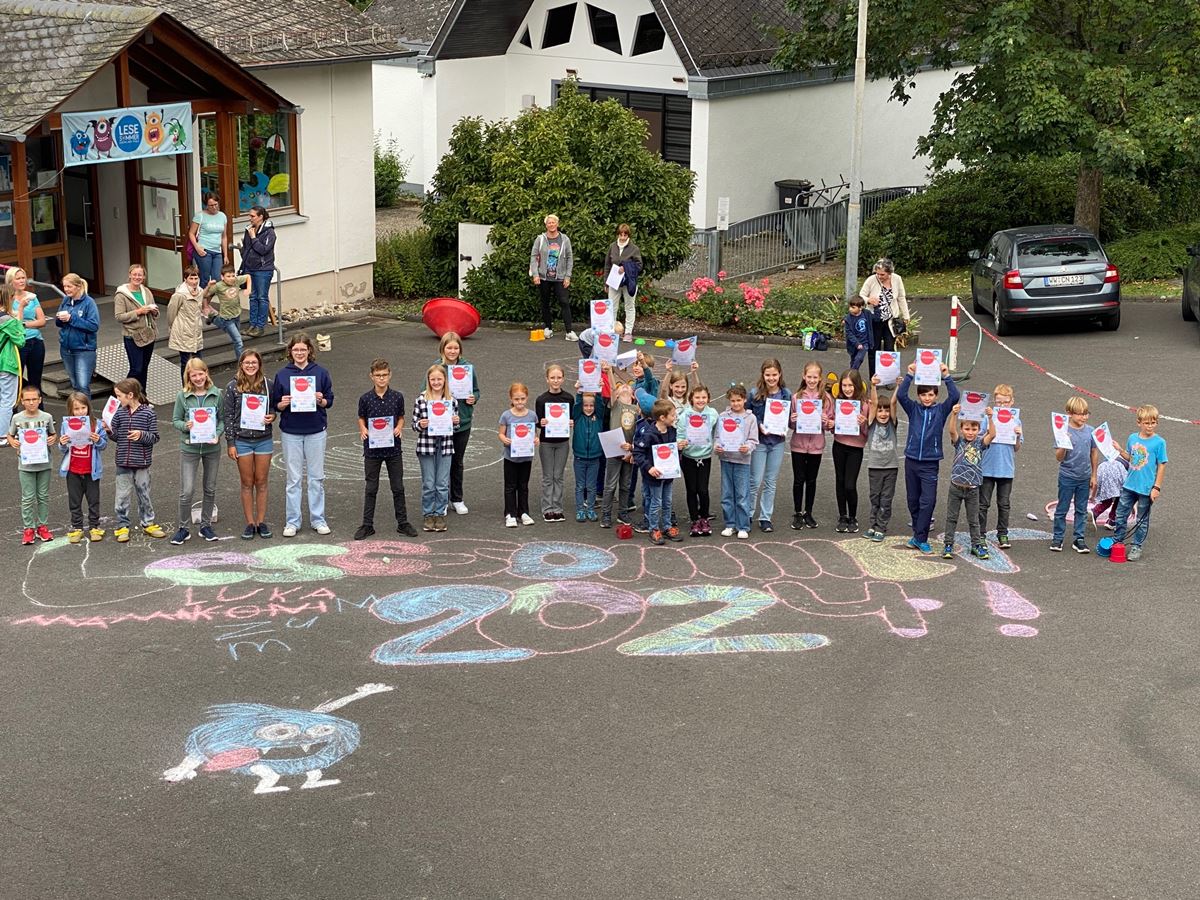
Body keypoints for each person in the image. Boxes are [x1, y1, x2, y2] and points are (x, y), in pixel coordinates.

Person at [272, 334, 333, 537]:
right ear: (290, 352)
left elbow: (329, 401)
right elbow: (276, 406)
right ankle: (292, 521)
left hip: (316, 430)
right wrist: (284, 403)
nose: (299, 353)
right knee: (293, 479)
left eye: (303, 349)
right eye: (296, 350)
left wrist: (320, 399)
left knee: (316, 478)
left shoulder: (320, 373)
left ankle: (318, 519)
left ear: (309, 351)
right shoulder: (282, 375)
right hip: (291, 432)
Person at [896, 360, 959, 553]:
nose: (926, 398)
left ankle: (921, 538)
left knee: (928, 501)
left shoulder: (940, 410)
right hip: (911, 460)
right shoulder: (913, 408)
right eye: (923, 394)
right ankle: (918, 534)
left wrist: (946, 376)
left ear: (936, 395)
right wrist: (910, 374)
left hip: (930, 463)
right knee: (913, 500)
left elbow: (955, 396)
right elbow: (900, 395)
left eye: (930, 394)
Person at [356, 358, 418, 540]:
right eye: (378, 375)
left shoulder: (397, 397)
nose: (381, 379)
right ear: (372, 377)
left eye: (384, 375)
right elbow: (361, 417)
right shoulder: (365, 399)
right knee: (371, 488)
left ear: (389, 375)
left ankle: (403, 523)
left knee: (398, 487)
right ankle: (367, 525)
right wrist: (363, 428)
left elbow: (401, 416)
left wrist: (399, 427)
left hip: (393, 449)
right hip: (373, 450)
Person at [223, 349, 275, 540]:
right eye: (247, 363)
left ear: (259, 364)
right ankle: (249, 523)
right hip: (242, 441)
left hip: (263, 439)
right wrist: (231, 442)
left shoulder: (268, 385)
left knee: (261, 481)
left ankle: (261, 522)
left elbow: (274, 408)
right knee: (247, 482)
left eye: (254, 362)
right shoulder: (232, 387)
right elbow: (227, 416)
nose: (251, 366)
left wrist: (273, 416)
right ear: (241, 365)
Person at [106, 377, 165, 542]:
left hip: (141, 462)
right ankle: (123, 525)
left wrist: (141, 435)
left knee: (144, 493)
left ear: (130, 395)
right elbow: (117, 436)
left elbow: (154, 437)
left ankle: (148, 523)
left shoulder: (148, 413)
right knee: (122, 496)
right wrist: (109, 431)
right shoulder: (119, 413)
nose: (118, 399)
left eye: (119, 396)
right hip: (123, 462)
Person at [171, 358, 223, 545]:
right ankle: (183, 528)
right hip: (190, 448)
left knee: (209, 488)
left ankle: (205, 526)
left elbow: (222, 420)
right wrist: (186, 425)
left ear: (206, 373)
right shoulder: (182, 396)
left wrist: (217, 434)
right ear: (189, 377)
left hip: (211, 447)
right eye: (194, 375)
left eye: (201, 373)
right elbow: (175, 420)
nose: (198, 378)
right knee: (187, 491)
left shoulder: (217, 394)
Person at [1110, 404, 1167, 561]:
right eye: (1147, 423)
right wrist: (1120, 450)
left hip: (1146, 488)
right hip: (1129, 485)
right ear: (1139, 423)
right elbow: (1131, 458)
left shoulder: (1159, 442)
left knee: (1142, 519)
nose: (1150, 426)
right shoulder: (1132, 438)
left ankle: (1136, 546)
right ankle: (1118, 542)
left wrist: (1157, 487)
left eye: (1153, 423)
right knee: (1120, 515)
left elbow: (1162, 465)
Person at [434, 331, 479, 516]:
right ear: (442, 349)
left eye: (455, 347)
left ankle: (457, 498)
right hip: (442, 424)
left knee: (457, 462)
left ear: (460, 349)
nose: (452, 351)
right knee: (443, 461)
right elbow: (425, 392)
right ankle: (442, 499)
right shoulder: (436, 368)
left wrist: (472, 398)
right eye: (449, 347)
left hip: (463, 422)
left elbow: (476, 391)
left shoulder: (468, 367)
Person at [942, 406, 995, 559]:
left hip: (973, 489)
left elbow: (992, 434)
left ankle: (976, 545)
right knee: (952, 517)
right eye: (967, 428)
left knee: (974, 520)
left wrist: (990, 417)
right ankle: (948, 544)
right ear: (962, 429)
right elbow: (951, 431)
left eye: (974, 429)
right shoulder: (958, 442)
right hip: (956, 487)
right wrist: (953, 414)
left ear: (979, 429)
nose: (970, 432)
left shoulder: (980, 443)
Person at [411, 364, 459, 532]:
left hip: (445, 446)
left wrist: (455, 422)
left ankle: (439, 513)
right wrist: (420, 424)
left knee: (442, 483)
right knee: (429, 483)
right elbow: (414, 425)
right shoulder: (422, 399)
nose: (436, 382)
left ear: (445, 380)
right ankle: (428, 514)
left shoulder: (451, 400)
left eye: (439, 379)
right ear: (428, 381)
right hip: (427, 446)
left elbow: (456, 427)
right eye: (433, 379)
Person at [1050, 396, 1099, 553]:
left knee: (1081, 509)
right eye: (1079, 414)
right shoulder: (1063, 431)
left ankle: (1079, 538)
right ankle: (1058, 538)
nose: (1083, 417)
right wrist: (1064, 443)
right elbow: (1059, 457)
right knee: (1062, 508)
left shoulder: (1090, 431)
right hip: (1067, 477)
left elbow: (1093, 452)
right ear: (1069, 413)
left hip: (1084, 477)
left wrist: (1094, 475)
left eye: (1086, 413)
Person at [57, 391, 107, 543]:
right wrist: (62, 442)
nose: (80, 411)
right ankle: (77, 527)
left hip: (91, 470)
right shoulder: (66, 424)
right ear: (71, 410)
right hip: (73, 469)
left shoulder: (96, 424)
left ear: (88, 407)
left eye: (83, 408)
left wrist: (98, 440)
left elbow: (104, 445)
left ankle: (94, 527)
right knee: (74, 500)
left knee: (93, 500)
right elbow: (62, 449)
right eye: (76, 409)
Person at [7, 385, 55, 544]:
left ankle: (42, 526)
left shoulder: (47, 417)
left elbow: (53, 434)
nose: (31, 402)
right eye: (27, 400)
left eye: (34, 399)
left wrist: (52, 439)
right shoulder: (17, 418)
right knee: (27, 498)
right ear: (22, 401)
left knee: (43, 496)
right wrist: (12, 441)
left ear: (40, 400)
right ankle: (29, 528)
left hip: (44, 463)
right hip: (26, 465)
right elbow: (10, 434)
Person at [747, 358, 790, 533]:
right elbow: (747, 415)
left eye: (774, 375)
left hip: (777, 442)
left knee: (771, 482)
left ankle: (765, 517)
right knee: (755, 481)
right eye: (768, 375)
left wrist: (791, 420)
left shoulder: (786, 393)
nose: (771, 378)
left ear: (780, 374)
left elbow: (788, 417)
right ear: (762, 375)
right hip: (760, 442)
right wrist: (758, 425)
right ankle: (748, 514)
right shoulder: (754, 393)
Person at [978, 383, 1022, 549]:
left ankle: (1002, 534)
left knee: (1004, 504)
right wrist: (990, 421)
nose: (1002, 405)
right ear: (994, 402)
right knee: (983, 504)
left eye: (1005, 402)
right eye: (999, 402)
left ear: (1012, 402)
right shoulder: (987, 418)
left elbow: (1017, 448)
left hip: (1006, 469)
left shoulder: (1016, 420)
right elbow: (981, 441)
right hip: (987, 467)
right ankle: (980, 534)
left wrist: (1018, 436)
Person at [633, 398, 683, 545]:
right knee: (656, 502)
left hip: (668, 475)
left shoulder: (672, 431)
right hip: (655, 476)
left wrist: (678, 448)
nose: (675, 418)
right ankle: (653, 528)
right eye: (673, 415)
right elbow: (638, 453)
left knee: (667, 501)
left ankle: (667, 526)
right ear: (662, 417)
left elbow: (671, 451)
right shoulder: (649, 434)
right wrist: (649, 468)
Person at [789, 361, 831, 530]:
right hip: (798, 444)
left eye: (815, 377)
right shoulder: (796, 397)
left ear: (820, 378)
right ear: (803, 376)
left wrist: (826, 421)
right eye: (809, 377)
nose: (812, 380)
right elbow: (791, 425)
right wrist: (792, 421)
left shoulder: (826, 398)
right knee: (799, 480)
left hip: (816, 445)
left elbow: (829, 424)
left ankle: (809, 512)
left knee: (811, 480)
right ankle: (798, 512)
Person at [829, 369, 870, 533]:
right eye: (844, 385)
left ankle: (853, 517)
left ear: (857, 386)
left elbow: (868, 433)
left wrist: (864, 423)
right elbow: (832, 428)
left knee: (850, 484)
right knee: (839, 481)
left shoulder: (865, 405)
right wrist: (831, 425)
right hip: (839, 445)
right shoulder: (837, 402)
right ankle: (842, 516)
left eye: (850, 385)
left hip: (855, 448)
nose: (847, 389)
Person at [716, 383, 759, 539]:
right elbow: (717, 438)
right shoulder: (723, 417)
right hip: (726, 459)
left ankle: (743, 526)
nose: (735, 403)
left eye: (738, 400)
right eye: (733, 401)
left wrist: (747, 447)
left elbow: (754, 440)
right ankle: (730, 524)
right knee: (727, 493)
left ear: (744, 400)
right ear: (729, 401)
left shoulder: (751, 418)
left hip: (742, 461)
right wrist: (718, 447)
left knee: (742, 494)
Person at [859, 258, 910, 378]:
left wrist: (906, 315)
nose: (879, 276)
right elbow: (861, 295)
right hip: (874, 319)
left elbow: (901, 297)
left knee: (889, 350)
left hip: (890, 320)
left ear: (890, 272)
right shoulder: (871, 280)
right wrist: (868, 300)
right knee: (874, 350)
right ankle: (874, 377)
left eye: (882, 274)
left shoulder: (897, 279)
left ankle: (888, 377)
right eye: (877, 273)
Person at [863, 376, 899, 542]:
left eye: (885, 411)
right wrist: (873, 386)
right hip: (875, 467)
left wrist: (899, 386)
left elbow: (892, 404)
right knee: (875, 497)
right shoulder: (871, 423)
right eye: (880, 410)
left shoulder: (892, 423)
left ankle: (881, 526)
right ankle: (873, 524)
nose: (883, 413)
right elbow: (874, 403)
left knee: (886, 498)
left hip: (890, 467)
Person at [536, 363, 573, 521]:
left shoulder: (569, 398)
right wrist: (541, 423)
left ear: (563, 379)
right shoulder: (541, 399)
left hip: (563, 441)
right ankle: (547, 508)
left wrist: (571, 422)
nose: (556, 380)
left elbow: (572, 418)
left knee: (558, 475)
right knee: (547, 476)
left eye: (559, 378)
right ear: (547, 379)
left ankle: (557, 507)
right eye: (553, 378)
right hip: (546, 442)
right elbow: (537, 422)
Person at [529, 214, 575, 341]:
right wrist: (535, 274)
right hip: (544, 277)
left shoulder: (565, 239)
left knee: (564, 302)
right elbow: (533, 256)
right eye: (549, 223)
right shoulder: (540, 239)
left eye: (553, 222)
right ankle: (548, 328)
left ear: (557, 224)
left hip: (560, 277)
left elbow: (570, 258)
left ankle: (569, 331)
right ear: (546, 225)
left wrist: (568, 276)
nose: (551, 224)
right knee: (545, 303)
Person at [498, 382, 538, 527]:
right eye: (516, 399)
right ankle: (510, 513)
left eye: (522, 399)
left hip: (526, 457)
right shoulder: (506, 416)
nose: (519, 402)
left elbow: (535, 434)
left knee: (523, 485)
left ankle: (524, 512)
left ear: (527, 398)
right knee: (510, 486)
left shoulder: (532, 415)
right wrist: (505, 439)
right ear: (511, 399)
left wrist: (536, 439)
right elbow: (501, 434)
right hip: (511, 457)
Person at [681, 384, 718, 536]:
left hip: (705, 457)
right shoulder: (685, 415)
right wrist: (680, 442)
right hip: (689, 457)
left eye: (703, 397)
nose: (700, 400)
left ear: (708, 398)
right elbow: (680, 433)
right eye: (697, 397)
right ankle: (694, 520)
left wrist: (718, 442)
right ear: (691, 399)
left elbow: (719, 431)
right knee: (691, 489)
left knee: (703, 489)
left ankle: (704, 518)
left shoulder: (713, 414)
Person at [600, 379, 638, 529]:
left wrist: (632, 448)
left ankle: (623, 512)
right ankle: (606, 514)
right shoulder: (615, 405)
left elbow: (639, 431)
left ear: (633, 395)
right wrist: (609, 370)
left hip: (629, 452)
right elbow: (612, 388)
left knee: (625, 485)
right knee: (609, 485)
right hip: (614, 451)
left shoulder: (636, 409)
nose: (624, 387)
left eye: (628, 387)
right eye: (620, 387)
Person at [114, 263, 158, 389]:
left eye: (140, 275)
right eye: (135, 274)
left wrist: (154, 311)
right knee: (136, 369)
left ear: (144, 277)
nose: (137, 277)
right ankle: (121, 392)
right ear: (129, 275)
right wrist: (138, 312)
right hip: (132, 336)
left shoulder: (146, 291)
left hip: (149, 334)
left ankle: (142, 397)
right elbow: (119, 316)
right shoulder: (121, 295)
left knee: (144, 367)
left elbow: (153, 310)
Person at [55, 273, 100, 398]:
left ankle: (86, 416)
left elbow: (93, 326)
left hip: (84, 350)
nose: (66, 289)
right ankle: (78, 413)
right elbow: (58, 323)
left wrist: (71, 318)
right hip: (66, 348)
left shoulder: (89, 303)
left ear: (78, 286)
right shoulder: (66, 300)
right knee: (75, 384)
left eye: (69, 286)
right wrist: (60, 318)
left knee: (82, 385)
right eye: (65, 286)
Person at [8, 268, 46, 400]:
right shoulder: (7, 299)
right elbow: (12, 325)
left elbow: (42, 321)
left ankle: (40, 414)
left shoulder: (32, 297)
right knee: (16, 381)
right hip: (18, 344)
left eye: (23, 277)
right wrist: (21, 308)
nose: (22, 281)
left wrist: (24, 324)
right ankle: (15, 415)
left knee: (36, 381)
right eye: (18, 278)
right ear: (10, 281)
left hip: (36, 341)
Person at [239, 205, 275, 336]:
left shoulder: (269, 232)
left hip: (263, 269)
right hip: (250, 268)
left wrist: (253, 238)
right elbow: (247, 248)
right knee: (252, 297)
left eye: (252, 216)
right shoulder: (249, 229)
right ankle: (252, 325)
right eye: (249, 215)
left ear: (260, 217)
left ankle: (260, 326)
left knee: (262, 297)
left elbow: (264, 250)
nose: (250, 218)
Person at [571, 391, 607, 522]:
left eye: (591, 405)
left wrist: (598, 393)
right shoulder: (577, 417)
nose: (588, 408)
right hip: (579, 457)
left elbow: (600, 405)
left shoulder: (599, 417)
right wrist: (579, 394)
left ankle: (590, 509)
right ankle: (580, 509)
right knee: (580, 485)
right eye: (585, 405)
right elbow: (576, 406)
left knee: (591, 486)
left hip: (594, 458)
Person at [167, 265, 206, 383]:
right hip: (183, 331)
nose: (194, 281)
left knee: (198, 362)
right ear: (185, 279)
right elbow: (171, 312)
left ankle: (198, 386)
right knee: (185, 362)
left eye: (196, 278)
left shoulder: (200, 291)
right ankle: (186, 388)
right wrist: (172, 327)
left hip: (195, 331)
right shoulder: (180, 294)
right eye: (191, 279)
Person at [604, 224, 642, 341]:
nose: (623, 237)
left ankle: (628, 332)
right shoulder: (612, 246)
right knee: (612, 307)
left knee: (629, 306)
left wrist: (626, 267)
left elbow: (639, 266)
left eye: (625, 234)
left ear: (628, 235)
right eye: (621, 234)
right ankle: (612, 332)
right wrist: (606, 282)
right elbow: (607, 265)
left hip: (628, 282)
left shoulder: (634, 248)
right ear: (618, 234)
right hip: (614, 282)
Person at [203, 264, 247, 359]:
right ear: (222, 277)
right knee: (238, 341)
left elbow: (248, 277)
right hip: (227, 318)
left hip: (236, 315)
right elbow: (204, 295)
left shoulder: (236, 281)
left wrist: (249, 289)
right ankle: (241, 364)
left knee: (229, 329)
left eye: (232, 276)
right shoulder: (218, 286)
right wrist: (208, 286)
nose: (231, 278)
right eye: (228, 276)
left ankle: (213, 317)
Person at [0, 283, 25, 437]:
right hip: (6, 363)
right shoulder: (8, 320)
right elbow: (21, 340)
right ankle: (3, 435)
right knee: (7, 401)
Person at [189, 192, 228, 288]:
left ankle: (206, 302)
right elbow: (191, 233)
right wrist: (197, 247)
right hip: (204, 250)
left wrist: (225, 255)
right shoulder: (200, 215)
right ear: (206, 205)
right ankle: (201, 302)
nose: (214, 207)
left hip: (217, 251)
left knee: (217, 280)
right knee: (205, 278)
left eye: (215, 204)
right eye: (211, 205)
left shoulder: (222, 216)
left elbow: (224, 236)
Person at [1091, 455, 1129, 531]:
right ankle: (1112, 520)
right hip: (1117, 470)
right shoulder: (1132, 465)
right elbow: (1128, 490)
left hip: (1102, 468)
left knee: (1107, 498)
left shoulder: (1121, 455)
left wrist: (1093, 495)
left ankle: (1094, 512)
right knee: (1121, 498)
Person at [843, 296, 873, 373]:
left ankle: (851, 374)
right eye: (850, 307)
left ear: (860, 308)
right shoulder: (848, 319)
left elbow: (875, 319)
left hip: (864, 343)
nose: (850, 309)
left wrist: (876, 308)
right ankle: (852, 376)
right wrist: (857, 343)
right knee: (853, 360)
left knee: (859, 359)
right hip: (853, 344)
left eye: (853, 307)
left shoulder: (866, 314)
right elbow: (849, 333)